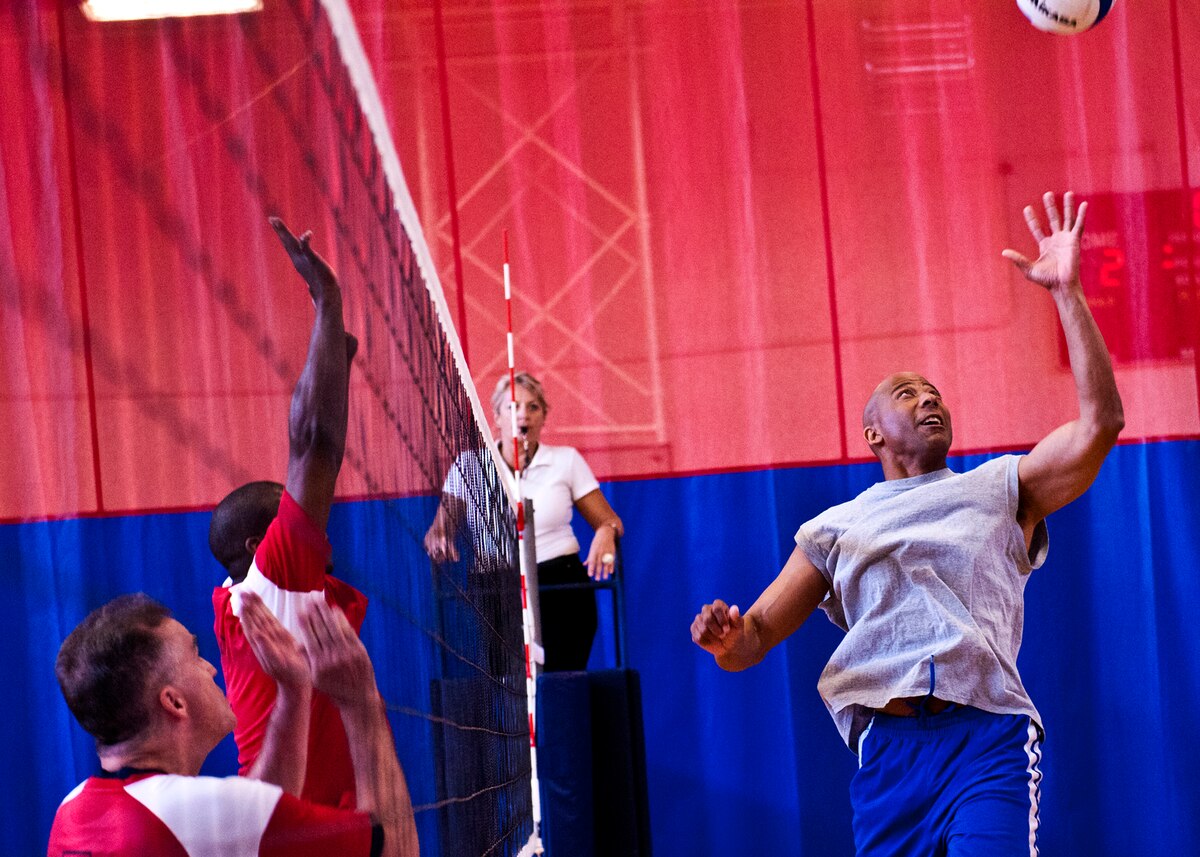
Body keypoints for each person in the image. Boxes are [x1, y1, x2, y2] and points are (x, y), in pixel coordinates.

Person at [691, 192, 1124, 855]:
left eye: (935, 393)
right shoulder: (835, 527)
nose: (928, 399)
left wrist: (1067, 293)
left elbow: (1101, 425)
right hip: (889, 756)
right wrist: (726, 636)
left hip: (985, 741)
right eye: (908, 393)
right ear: (873, 433)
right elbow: (755, 637)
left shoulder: (1000, 488)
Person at [48, 590, 419, 856]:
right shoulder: (197, 812)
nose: (211, 668)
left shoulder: (73, 810)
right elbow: (396, 848)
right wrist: (361, 704)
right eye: (195, 655)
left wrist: (293, 692)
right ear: (174, 702)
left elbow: (251, 826)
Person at [208, 217, 364, 808]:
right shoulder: (271, 579)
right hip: (293, 821)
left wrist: (335, 362)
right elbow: (313, 444)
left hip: (298, 813)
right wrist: (327, 301)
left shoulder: (251, 598)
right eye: (286, 513)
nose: (310, 517)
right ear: (259, 544)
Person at [425, 372, 624, 671]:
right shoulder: (469, 466)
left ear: (543, 417)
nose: (523, 414)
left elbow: (611, 522)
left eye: (533, 407)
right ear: (496, 417)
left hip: (560, 585)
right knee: (505, 686)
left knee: (561, 683)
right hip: (495, 589)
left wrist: (606, 532)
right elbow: (439, 530)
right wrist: (440, 538)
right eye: (513, 407)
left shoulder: (565, 460)